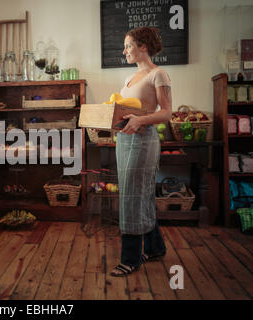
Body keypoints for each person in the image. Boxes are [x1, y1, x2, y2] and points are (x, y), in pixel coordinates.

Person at [110, 27, 172, 277]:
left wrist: (140, 120)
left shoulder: (159, 74)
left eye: (128, 46)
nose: (124, 51)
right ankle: (155, 247)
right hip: (124, 140)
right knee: (139, 194)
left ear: (143, 47)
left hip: (144, 139)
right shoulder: (128, 79)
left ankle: (131, 258)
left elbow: (166, 113)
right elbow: (127, 111)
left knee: (132, 196)